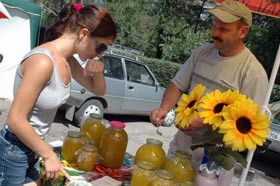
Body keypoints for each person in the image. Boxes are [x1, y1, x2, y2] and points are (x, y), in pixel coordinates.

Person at [150, 0, 268, 185]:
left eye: (223, 29)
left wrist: (206, 122)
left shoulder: (254, 73)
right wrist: (165, 107)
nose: (214, 33)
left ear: (243, 32)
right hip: (181, 148)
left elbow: (249, 126)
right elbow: (177, 85)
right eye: (214, 26)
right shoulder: (201, 53)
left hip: (214, 163)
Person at [0, 3, 116, 185]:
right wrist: (48, 154)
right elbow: (15, 120)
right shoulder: (43, 62)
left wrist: (99, 72)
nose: (100, 54)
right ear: (84, 34)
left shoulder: (68, 61)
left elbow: (98, 90)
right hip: (14, 148)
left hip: (33, 146)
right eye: (100, 47)